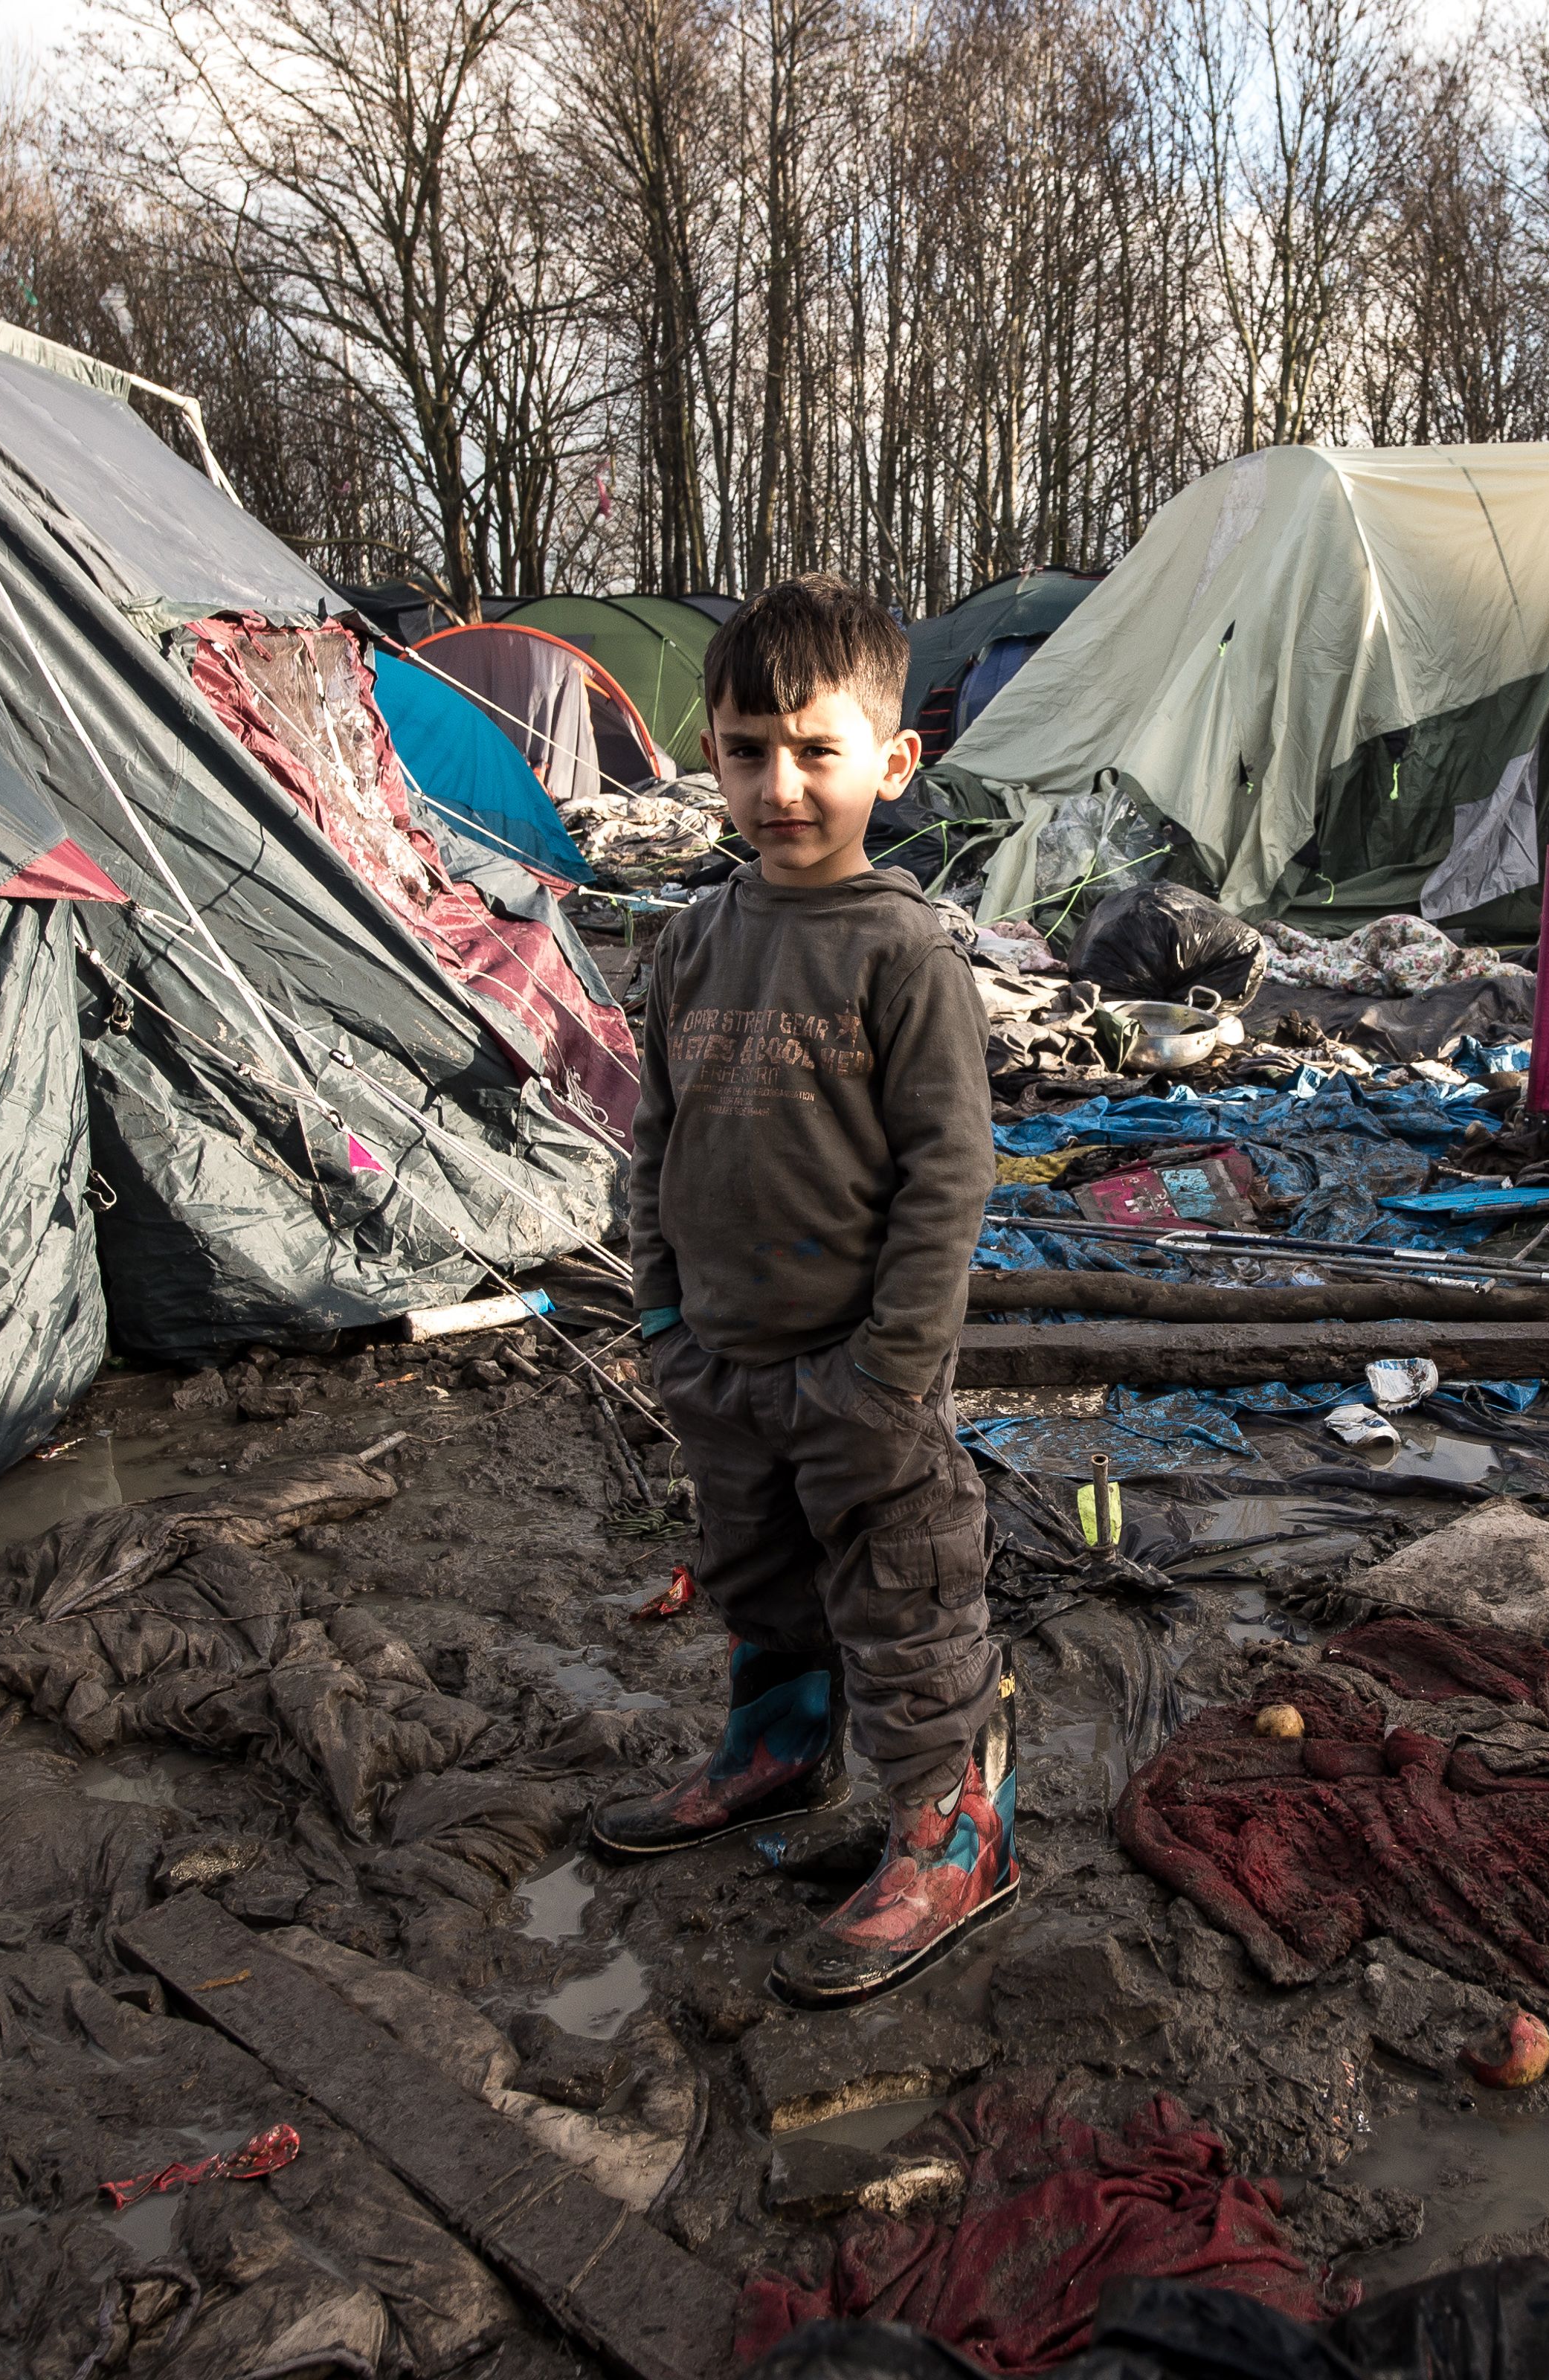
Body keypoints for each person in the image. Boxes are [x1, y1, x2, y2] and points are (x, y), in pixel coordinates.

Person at [593, 573, 1011, 2008]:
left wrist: (892, 1375)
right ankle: (775, 1751)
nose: (780, 785)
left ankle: (951, 1834)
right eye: (746, 748)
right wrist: (661, 1320)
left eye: (817, 751)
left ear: (893, 764)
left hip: (860, 1378)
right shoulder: (694, 942)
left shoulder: (903, 954)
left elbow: (950, 1179)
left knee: (905, 1602)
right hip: (721, 1365)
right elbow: (656, 1141)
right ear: (707, 751)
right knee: (763, 1581)